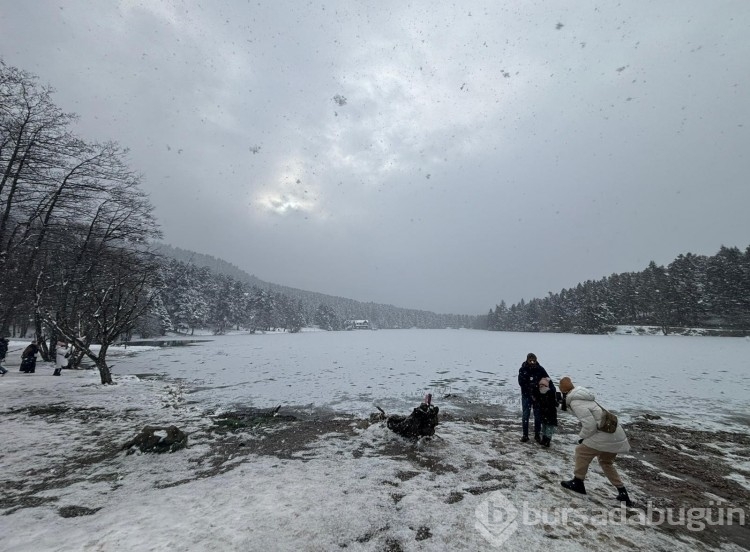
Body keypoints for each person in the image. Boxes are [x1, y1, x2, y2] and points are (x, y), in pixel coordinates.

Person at [558, 376, 633, 506]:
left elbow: (589, 425)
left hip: (604, 435)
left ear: (564, 392)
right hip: (615, 434)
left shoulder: (575, 402)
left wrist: (581, 437)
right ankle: (623, 492)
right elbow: (584, 414)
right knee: (606, 462)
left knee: (581, 451)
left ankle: (578, 482)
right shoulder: (584, 398)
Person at [517, 352, 549, 443]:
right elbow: (521, 382)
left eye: (533, 360)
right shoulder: (523, 369)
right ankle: (525, 435)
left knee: (538, 416)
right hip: (526, 395)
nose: (532, 362)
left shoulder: (540, 369)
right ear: (527, 360)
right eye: (530, 360)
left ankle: (537, 435)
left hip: (537, 396)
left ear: (536, 360)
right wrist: (530, 387)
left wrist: (547, 390)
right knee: (525, 415)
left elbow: (547, 380)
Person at [537, 377, 558, 447]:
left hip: (546, 413)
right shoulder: (550, 392)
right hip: (549, 414)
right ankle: (546, 440)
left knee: (546, 427)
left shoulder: (541, 393)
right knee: (547, 427)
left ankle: (545, 439)